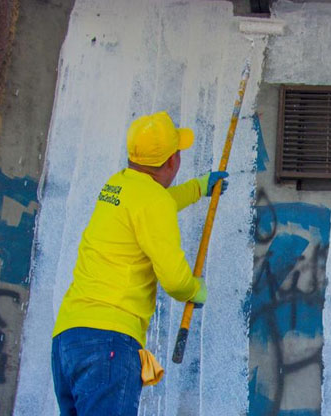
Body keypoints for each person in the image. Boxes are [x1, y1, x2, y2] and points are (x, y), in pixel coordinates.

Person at [50, 111, 228, 415]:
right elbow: (175, 280)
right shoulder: (152, 202)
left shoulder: (117, 185)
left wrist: (199, 187)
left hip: (68, 340)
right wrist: (194, 289)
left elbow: (158, 204)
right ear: (172, 161)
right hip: (108, 343)